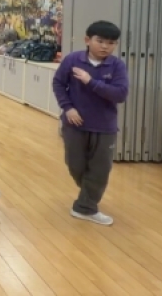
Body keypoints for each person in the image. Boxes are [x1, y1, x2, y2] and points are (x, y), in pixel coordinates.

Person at [52, 20, 128, 226]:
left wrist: (91, 82)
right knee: (75, 165)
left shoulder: (117, 66)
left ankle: (85, 207)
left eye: (111, 43)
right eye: (100, 41)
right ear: (88, 40)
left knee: (100, 169)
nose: (105, 46)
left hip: (105, 126)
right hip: (74, 124)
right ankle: (89, 193)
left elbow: (120, 94)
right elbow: (58, 83)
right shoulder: (72, 60)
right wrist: (68, 107)